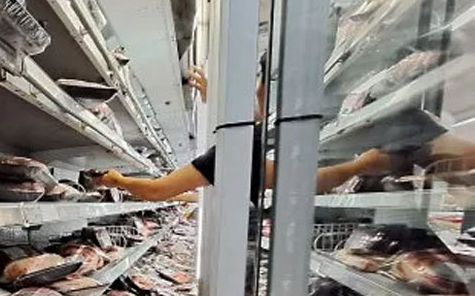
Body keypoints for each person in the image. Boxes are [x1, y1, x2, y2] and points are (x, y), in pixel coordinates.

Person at [99, 66, 394, 202]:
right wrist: (358, 166)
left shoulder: (233, 153)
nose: (259, 93)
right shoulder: (251, 142)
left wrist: (118, 180)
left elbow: (156, 191)